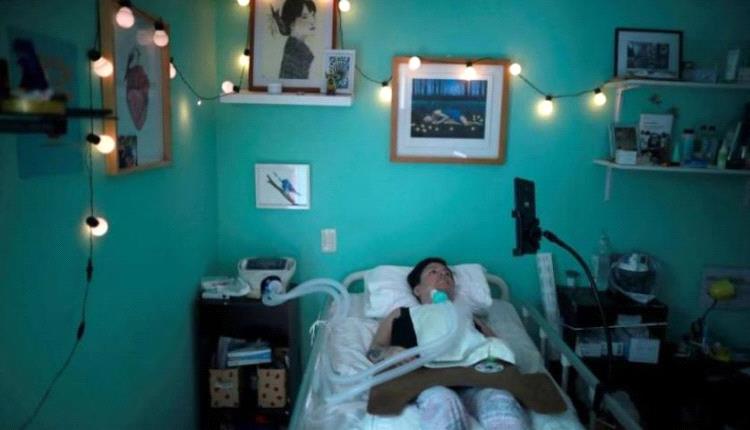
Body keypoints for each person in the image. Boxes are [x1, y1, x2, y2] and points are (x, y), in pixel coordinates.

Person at [367, 257, 529, 430]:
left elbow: (498, 347)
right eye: (433, 272)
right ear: (417, 289)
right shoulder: (401, 314)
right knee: (443, 400)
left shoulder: (467, 314)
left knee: (499, 399)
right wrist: (390, 352)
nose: (443, 275)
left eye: (447, 273)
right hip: (425, 381)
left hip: (474, 378)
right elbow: (374, 351)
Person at [271, 0, 317, 79]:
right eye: (304, 17)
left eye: (313, 15)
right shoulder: (296, 51)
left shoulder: (295, 47)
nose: (312, 21)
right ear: (291, 23)